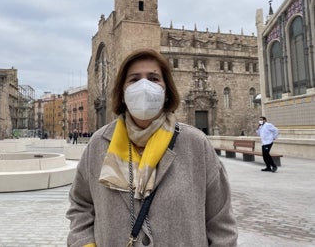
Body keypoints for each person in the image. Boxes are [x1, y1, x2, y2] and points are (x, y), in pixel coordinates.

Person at [66, 49, 237, 246]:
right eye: (134, 79)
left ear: (166, 92)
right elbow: (80, 205)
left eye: (154, 78)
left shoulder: (196, 145)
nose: (144, 86)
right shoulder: (99, 144)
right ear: (122, 93)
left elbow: (221, 222)